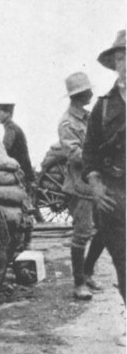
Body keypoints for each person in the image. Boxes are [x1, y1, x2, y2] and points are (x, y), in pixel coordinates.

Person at [82, 30, 126, 308]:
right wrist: (96, 186)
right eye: (120, 57)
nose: (124, 62)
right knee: (124, 265)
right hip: (115, 196)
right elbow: (89, 152)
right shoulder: (104, 105)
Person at [58, 72, 105, 300]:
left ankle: (87, 272)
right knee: (81, 234)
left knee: (105, 230)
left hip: (94, 184)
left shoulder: (88, 117)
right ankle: (78, 285)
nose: (92, 93)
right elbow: (73, 153)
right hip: (80, 187)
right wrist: (97, 156)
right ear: (79, 95)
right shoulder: (68, 122)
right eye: (88, 91)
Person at [0, 103, 35, 185]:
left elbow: (5, 149)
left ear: (8, 113)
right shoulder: (12, 127)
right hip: (24, 171)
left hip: (21, 173)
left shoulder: (11, 129)